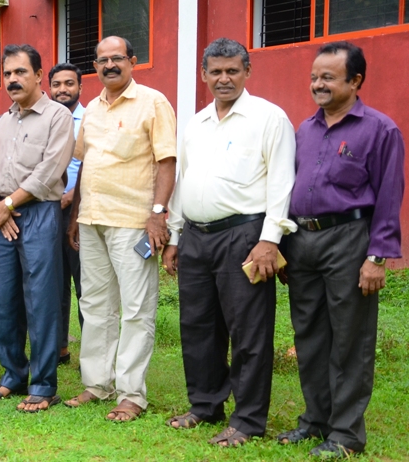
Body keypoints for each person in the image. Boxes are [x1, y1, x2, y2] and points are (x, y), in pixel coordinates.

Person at [161, 38, 296, 447]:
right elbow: (185, 181)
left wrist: (270, 240)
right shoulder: (197, 123)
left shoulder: (269, 118)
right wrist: (175, 236)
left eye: (232, 70)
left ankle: (248, 419)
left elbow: (282, 182)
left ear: (247, 72)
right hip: (196, 237)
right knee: (197, 325)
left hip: (245, 238)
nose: (224, 79)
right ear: (204, 74)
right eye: (216, 71)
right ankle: (205, 405)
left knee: (249, 330)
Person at [278, 41, 404, 458]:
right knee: (309, 335)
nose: (318, 84)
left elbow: (389, 195)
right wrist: (284, 245)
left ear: (355, 81)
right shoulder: (305, 130)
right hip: (303, 242)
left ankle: (346, 434)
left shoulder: (380, 130)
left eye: (328, 78)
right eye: (315, 77)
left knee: (350, 339)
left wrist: (377, 257)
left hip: (349, 241)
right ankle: (315, 420)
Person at [66, 36, 177, 421]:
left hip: (133, 222)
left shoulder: (153, 102)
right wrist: (75, 215)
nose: (110, 65)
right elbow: (86, 163)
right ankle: (98, 384)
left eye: (117, 58)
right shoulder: (93, 109)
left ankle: (131, 394)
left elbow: (167, 161)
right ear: (95, 67)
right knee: (94, 304)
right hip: (91, 219)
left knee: (135, 308)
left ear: (132, 61)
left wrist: (158, 214)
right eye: (102, 60)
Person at [0, 44, 74, 412]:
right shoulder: (3, 120)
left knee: (41, 300)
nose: (12, 79)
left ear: (38, 75)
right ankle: (13, 374)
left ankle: (43, 383)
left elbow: (50, 171)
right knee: (5, 298)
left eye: (20, 72)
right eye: (7, 73)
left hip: (38, 212)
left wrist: (7, 206)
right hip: (2, 215)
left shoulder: (57, 116)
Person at [49, 62, 86, 364]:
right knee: (55, 283)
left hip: (80, 213)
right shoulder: (46, 119)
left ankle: (92, 353)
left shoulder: (89, 119)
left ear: (80, 87)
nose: (63, 89)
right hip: (49, 211)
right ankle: (59, 348)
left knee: (85, 285)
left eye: (69, 83)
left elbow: (93, 165)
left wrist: (71, 197)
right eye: (57, 84)